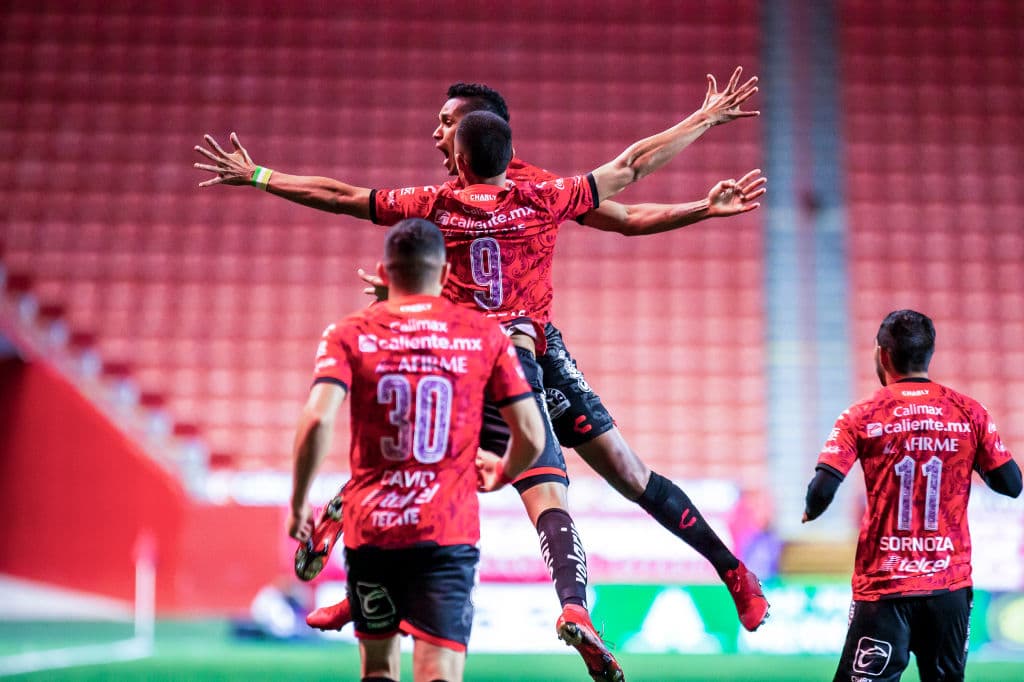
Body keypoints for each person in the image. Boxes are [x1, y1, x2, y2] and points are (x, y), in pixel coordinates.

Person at [195, 69, 760, 680]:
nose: (436, 135)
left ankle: (729, 573)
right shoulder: (546, 195)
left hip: (518, 355)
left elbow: (342, 196)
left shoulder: (449, 201)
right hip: (511, 349)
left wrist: (261, 176)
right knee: (521, 477)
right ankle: (569, 605)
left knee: (514, 466)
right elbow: (629, 169)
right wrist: (703, 141)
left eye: (446, 125)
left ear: (471, 140)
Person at [288, 218, 545, 682]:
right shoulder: (483, 334)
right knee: (438, 674)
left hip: (372, 531)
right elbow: (531, 433)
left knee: (380, 671)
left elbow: (316, 419)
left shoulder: (347, 333)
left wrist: (297, 504)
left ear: (384, 275)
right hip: (445, 534)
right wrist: (504, 472)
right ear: (446, 276)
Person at [802, 309, 1021, 682]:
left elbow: (822, 489)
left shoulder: (862, 414)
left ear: (882, 355)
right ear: (929, 353)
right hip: (948, 588)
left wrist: (811, 510)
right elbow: (1011, 484)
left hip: (885, 588)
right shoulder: (969, 412)